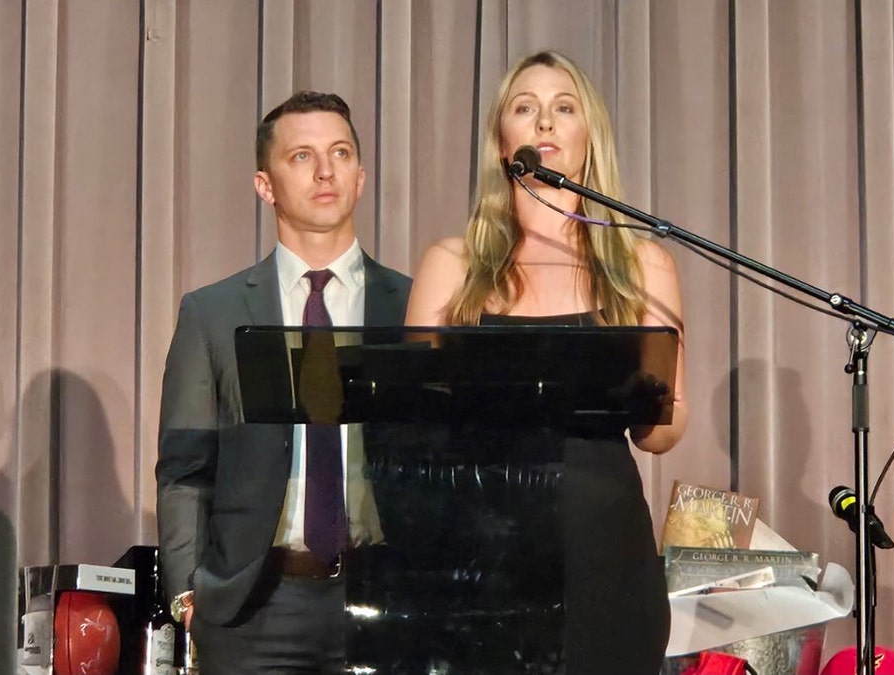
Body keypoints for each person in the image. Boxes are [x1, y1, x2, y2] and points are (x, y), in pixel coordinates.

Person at [406, 50, 688, 673]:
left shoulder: (643, 266)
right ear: (502, 140)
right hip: (478, 552)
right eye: (525, 108)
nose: (545, 124)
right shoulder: (451, 265)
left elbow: (664, 431)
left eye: (564, 109)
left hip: (604, 549)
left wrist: (649, 398)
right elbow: (407, 417)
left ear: (590, 136)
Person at [156, 90, 412, 674]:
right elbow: (185, 467)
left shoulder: (413, 304)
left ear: (362, 175)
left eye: (340, 152)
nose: (326, 171)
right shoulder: (214, 312)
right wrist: (189, 595)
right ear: (264, 184)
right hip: (255, 607)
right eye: (301, 156)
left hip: (389, 597)